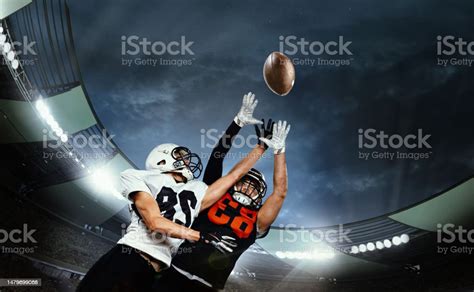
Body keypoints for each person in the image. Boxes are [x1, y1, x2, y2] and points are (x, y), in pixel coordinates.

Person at [77, 92, 266, 292]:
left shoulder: (197, 189)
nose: (186, 161)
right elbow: (154, 221)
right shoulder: (139, 177)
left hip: (154, 272)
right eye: (180, 157)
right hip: (128, 258)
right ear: (161, 161)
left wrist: (258, 144)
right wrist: (200, 235)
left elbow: (234, 174)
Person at [154, 108, 290, 291]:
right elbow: (217, 155)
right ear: (235, 182)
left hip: (208, 286)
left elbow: (280, 192)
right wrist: (237, 124)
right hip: (176, 271)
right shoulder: (214, 195)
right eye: (245, 183)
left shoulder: (258, 219)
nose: (248, 188)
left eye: (254, 187)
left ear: (260, 194)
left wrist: (279, 151)